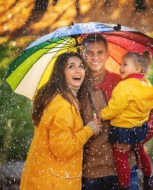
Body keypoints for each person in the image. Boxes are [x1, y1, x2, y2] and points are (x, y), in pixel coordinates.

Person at [20, 52, 102, 190]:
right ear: (61, 73)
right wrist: (89, 129)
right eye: (71, 66)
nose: (78, 70)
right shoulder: (62, 106)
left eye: (81, 66)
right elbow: (62, 149)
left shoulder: (64, 100)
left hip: (47, 178)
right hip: (53, 182)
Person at [79, 34, 140, 190]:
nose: (95, 57)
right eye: (90, 53)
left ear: (107, 54)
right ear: (82, 54)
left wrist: (131, 139)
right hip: (90, 173)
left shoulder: (122, 83)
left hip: (124, 168)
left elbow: (147, 118)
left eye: (100, 52)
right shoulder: (76, 87)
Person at [99, 52, 153, 190]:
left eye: (125, 64)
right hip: (140, 128)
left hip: (123, 128)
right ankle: (149, 178)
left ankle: (125, 185)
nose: (121, 67)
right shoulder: (147, 84)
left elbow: (115, 107)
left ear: (138, 68)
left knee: (120, 158)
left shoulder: (124, 85)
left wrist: (102, 115)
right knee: (140, 151)